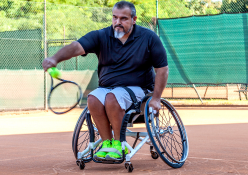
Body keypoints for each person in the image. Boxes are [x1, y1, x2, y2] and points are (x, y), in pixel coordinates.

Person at [42, 1, 168, 161]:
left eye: (123, 19)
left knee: (112, 97)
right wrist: (55, 58)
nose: (118, 22)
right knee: (93, 98)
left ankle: (118, 143)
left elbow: (162, 69)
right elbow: (76, 46)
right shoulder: (101, 36)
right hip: (109, 88)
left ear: (134, 19)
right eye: (115, 17)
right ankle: (108, 144)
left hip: (139, 90)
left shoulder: (149, 38)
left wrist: (156, 98)